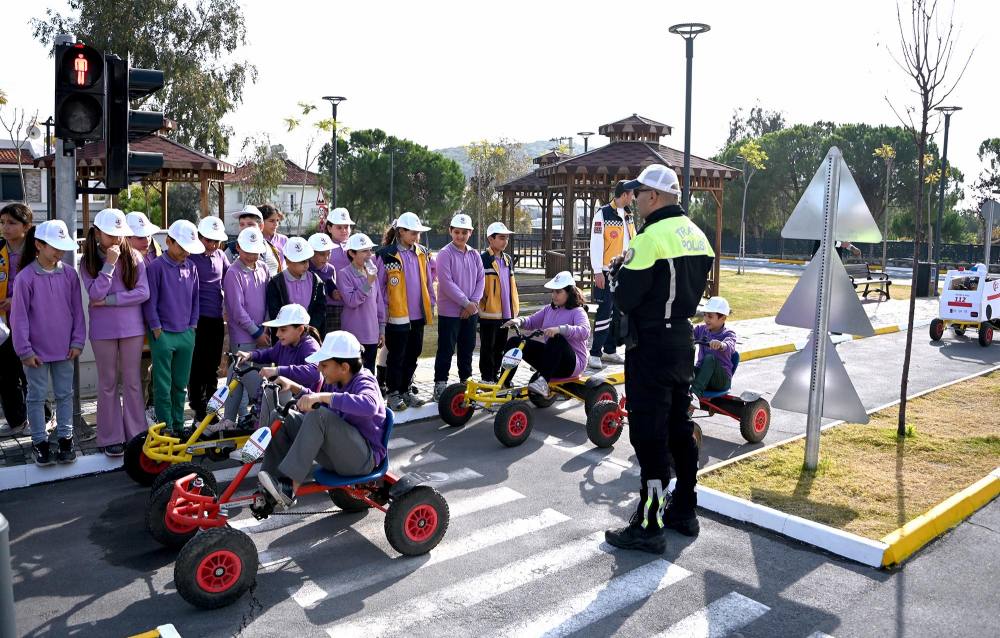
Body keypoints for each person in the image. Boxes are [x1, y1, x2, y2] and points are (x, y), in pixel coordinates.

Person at [605, 164, 714, 554]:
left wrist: (617, 274)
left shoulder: (650, 239)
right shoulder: (698, 236)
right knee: (678, 427)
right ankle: (684, 508)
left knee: (649, 436)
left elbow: (626, 297)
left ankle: (649, 525)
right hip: (683, 339)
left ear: (653, 196)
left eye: (638, 194)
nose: (633, 201)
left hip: (650, 343)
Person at [257, 330, 386, 509]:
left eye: (324, 365)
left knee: (318, 415)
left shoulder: (365, 380)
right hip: (339, 454)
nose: (319, 369)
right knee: (282, 416)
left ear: (344, 367)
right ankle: (271, 485)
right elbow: (321, 400)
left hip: (362, 460)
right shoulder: (334, 381)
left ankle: (289, 489)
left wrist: (323, 397)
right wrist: (294, 387)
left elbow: (369, 405)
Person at [11, 220, 86, 465]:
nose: (59, 251)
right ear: (39, 245)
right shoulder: (25, 278)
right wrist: (24, 350)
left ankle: (66, 439)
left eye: (61, 246)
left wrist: (77, 341)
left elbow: (77, 310)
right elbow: (19, 317)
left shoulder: (70, 274)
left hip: (66, 349)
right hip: (35, 353)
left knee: (65, 395)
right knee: (36, 397)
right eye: (54, 246)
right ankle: (39, 442)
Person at [80, 208, 149, 456]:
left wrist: (111, 301)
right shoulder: (88, 261)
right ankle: (110, 436)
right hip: (103, 332)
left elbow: (143, 293)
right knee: (107, 383)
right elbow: (94, 294)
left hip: (132, 329)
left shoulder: (135, 258)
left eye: (119, 234)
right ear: (97, 233)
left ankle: (137, 434)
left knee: (132, 382)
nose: (116, 240)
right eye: (110, 234)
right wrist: (109, 265)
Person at [142, 220, 204, 436]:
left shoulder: (192, 266)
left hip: (186, 333)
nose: (186, 252)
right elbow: (150, 302)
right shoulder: (155, 267)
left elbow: (196, 299)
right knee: (162, 384)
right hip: (163, 334)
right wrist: (157, 329)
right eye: (182, 246)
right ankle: (165, 426)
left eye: (189, 247)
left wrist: (193, 326)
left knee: (181, 384)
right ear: (169, 242)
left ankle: (179, 424)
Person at [220, 303, 321, 434]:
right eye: (278, 329)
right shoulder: (285, 343)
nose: (278, 334)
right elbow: (269, 353)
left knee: (273, 388)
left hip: (300, 403)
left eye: (283, 329)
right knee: (237, 366)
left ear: (300, 329)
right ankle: (228, 422)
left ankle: (259, 443)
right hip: (283, 396)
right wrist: (250, 355)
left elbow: (315, 373)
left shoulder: (309, 345)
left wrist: (278, 370)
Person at [376, 212, 436, 411]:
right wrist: (385, 309)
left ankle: (405, 390)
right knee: (397, 355)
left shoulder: (423, 252)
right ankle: (393, 392)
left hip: (418, 314)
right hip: (397, 316)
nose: (416, 236)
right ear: (401, 232)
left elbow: (428, 281)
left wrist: (431, 302)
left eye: (418, 233)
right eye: (413, 232)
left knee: (413, 353)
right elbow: (380, 286)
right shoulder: (386, 254)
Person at [501, 271, 589, 397]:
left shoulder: (578, 311)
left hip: (572, 364)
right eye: (553, 291)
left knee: (556, 338)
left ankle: (543, 382)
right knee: (515, 342)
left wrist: (560, 329)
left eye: (558, 292)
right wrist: (518, 321)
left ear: (570, 293)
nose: (554, 295)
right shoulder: (549, 309)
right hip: (552, 359)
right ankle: (504, 383)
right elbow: (531, 321)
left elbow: (585, 331)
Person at [0, 203, 47, 438]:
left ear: (26, 227)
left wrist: (14, 300)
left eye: (11, 223)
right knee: (5, 373)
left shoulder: (37, 252)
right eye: (2, 223)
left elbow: (45, 285)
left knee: (30, 371)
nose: (5, 228)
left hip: (30, 322)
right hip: (2, 324)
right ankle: (17, 421)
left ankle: (44, 417)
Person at [433, 213, 485, 400]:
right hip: (450, 312)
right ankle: (440, 385)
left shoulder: (474, 254)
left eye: (464, 232)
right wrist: (466, 303)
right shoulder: (444, 254)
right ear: (450, 231)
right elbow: (446, 283)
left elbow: (481, 280)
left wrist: (473, 304)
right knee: (446, 349)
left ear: (470, 232)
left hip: (471, 311)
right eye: (457, 232)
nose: (460, 236)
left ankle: (466, 382)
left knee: (467, 348)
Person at [222, 227, 271, 422]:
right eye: (248, 251)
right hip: (243, 337)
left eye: (256, 251)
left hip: (263, 334)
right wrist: (256, 332)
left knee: (237, 379)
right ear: (239, 248)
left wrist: (266, 328)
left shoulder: (263, 267)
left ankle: (229, 421)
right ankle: (238, 421)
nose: (252, 255)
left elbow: (268, 300)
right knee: (249, 382)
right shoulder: (233, 273)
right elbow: (236, 310)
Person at [588, 180, 636, 370]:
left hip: (624, 271)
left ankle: (609, 350)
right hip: (607, 271)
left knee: (618, 311)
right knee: (604, 311)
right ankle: (594, 353)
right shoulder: (603, 214)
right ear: (624, 194)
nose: (633, 197)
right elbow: (596, 244)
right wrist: (597, 271)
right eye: (631, 194)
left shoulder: (629, 215)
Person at [187, 216, 231, 421]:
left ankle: (213, 407)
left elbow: (230, 278)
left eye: (216, 241)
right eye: (208, 240)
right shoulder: (190, 257)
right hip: (196, 320)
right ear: (199, 237)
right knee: (197, 365)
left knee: (213, 365)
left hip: (215, 319)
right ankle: (197, 405)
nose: (212, 245)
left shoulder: (221, 255)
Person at [126, 210, 162, 421]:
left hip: (158, 323)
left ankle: (153, 409)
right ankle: (136, 417)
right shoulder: (121, 258)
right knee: (138, 375)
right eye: (140, 237)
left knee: (159, 370)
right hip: (134, 325)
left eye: (148, 235)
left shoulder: (158, 253)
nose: (146, 240)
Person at [337, 233, 385, 373]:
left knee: (369, 371)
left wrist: (381, 329)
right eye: (364, 251)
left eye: (370, 250)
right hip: (353, 334)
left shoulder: (371, 273)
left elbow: (379, 303)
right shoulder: (344, 274)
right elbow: (351, 301)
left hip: (372, 334)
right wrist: (368, 282)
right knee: (353, 373)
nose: (369, 254)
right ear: (351, 253)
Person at [478, 221, 519, 383]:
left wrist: (513, 310)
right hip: (489, 314)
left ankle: (496, 376)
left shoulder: (508, 259)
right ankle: (486, 377)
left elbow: (511, 286)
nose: (505, 241)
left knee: (500, 348)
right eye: (501, 238)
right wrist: (483, 306)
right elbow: (479, 286)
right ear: (491, 239)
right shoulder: (483, 259)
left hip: (506, 313)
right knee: (488, 347)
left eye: (507, 238)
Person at [266, 237, 325, 336]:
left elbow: (320, 310)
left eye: (307, 261)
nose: (306, 265)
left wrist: (308, 330)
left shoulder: (316, 281)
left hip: (308, 335)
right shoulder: (276, 283)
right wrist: (291, 332)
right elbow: (275, 312)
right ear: (288, 261)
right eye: (301, 262)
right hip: (285, 338)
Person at [690, 296, 737, 410]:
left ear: (723, 318)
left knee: (710, 358)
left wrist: (721, 345)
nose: (706, 319)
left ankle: (694, 394)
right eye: (705, 315)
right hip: (703, 375)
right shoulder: (701, 330)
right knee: (686, 368)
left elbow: (730, 345)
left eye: (710, 316)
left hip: (720, 380)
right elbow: (689, 334)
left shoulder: (728, 334)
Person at [225, 205, 281, 277]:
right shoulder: (232, 250)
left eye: (250, 224)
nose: (245, 228)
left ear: (261, 226)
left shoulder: (271, 248)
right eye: (242, 224)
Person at [324, 207, 356, 331]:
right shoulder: (324, 248)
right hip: (331, 306)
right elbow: (319, 273)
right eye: (339, 227)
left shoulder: (356, 247)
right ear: (329, 228)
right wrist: (330, 291)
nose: (344, 230)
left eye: (346, 226)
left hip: (354, 304)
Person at [308, 232, 340, 335]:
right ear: (311, 252)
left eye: (329, 253)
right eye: (322, 254)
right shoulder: (304, 268)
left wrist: (334, 293)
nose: (326, 258)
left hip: (326, 312)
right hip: (308, 311)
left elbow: (332, 288)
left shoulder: (331, 269)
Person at [259, 204, 288, 270]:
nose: (276, 224)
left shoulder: (284, 240)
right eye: (271, 221)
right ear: (261, 222)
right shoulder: (257, 240)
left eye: (277, 220)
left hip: (282, 278)